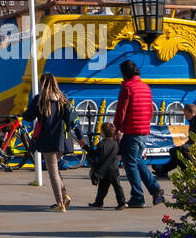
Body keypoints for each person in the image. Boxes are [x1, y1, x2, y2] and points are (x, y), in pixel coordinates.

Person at [22, 73, 87, 211]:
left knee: (52, 173)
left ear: (42, 84)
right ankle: (64, 196)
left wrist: (24, 111)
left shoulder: (40, 99)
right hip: (63, 140)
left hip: (48, 140)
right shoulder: (63, 99)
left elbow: (28, 117)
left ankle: (59, 203)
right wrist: (80, 138)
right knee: (55, 170)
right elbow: (73, 119)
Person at [113, 60, 166, 208]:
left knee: (130, 164)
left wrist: (117, 128)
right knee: (137, 160)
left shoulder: (127, 88)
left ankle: (137, 196)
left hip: (131, 131)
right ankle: (155, 189)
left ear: (124, 74)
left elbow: (121, 111)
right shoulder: (145, 87)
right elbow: (150, 110)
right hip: (143, 130)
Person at [87, 122, 127, 209]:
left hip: (104, 170)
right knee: (117, 187)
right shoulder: (115, 144)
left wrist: (86, 147)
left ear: (102, 133)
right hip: (114, 169)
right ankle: (122, 202)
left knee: (102, 188)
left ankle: (99, 202)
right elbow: (119, 152)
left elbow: (94, 154)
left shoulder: (101, 144)